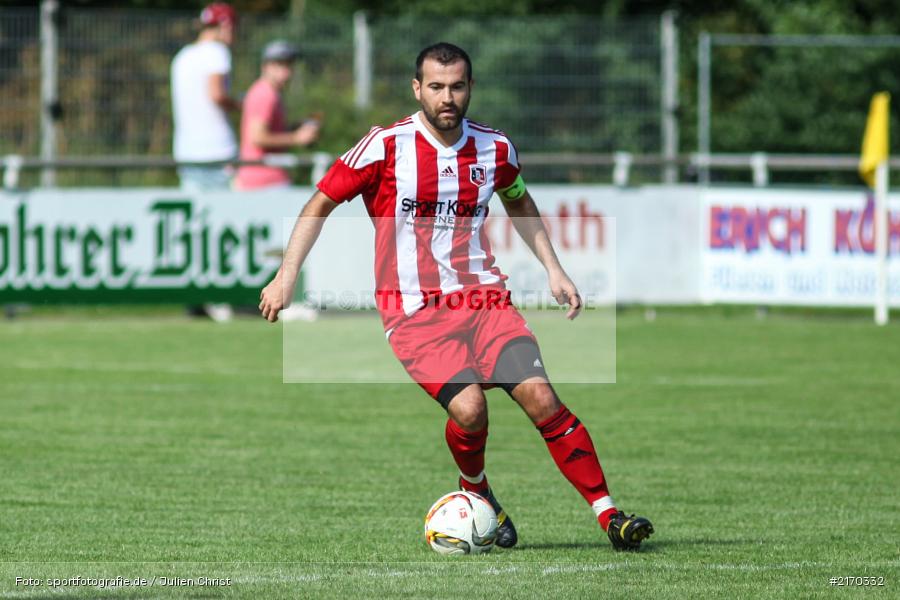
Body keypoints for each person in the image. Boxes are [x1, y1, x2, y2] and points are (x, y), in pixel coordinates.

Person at [258, 43, 653, 551]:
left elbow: (519, 200)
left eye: (458, 86)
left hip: (484, 300)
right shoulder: (384, 146)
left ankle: (610, 517)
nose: (448, 97)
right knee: (469, 411)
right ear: (417, 88)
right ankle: (478, 493)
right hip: (414, 314)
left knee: (542, 397)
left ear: (470, 88)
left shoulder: (495, 148)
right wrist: (287, 275)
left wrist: (555, 269)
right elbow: (321, 201)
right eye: (437, 87)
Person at [170, 2, 241, 192]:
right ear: (226, 25)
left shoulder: (182, 56)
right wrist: (241, 105)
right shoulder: (217, 52)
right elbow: (217, 94)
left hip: (186, 152)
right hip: (217, 150)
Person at [235, 40, 320, 191]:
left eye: (289, 65)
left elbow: (266, 132)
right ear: (266, 66)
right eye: (280, 64)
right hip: (263, 181)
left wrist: (294, 128)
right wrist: (297, 137)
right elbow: (257, 137)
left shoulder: (269, 92)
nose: (287, 71)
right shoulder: (265, 94)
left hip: (264, 179)